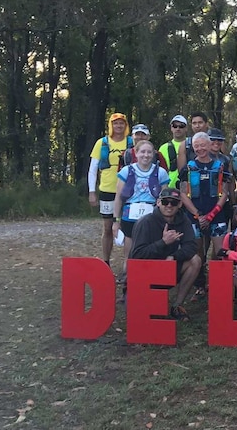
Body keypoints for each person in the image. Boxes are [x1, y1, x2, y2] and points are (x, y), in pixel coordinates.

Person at [129, 188, 202, 321]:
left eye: (173, 203)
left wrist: (174, 256)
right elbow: (136, 256)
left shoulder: (183, 220)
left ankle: (177, 306)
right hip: (146, 274)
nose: (169, 206)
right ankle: (143, 301)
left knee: (195, 260)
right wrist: (163, 242)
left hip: (169, 268)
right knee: (150, 316)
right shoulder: (145, 222)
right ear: (158, 202)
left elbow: (192, 246)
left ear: (180, 204)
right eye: (165, 202)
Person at [112, 139, 170, 296]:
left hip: (152, 216)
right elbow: (118, 197)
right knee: (130, 253)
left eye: (149, 152)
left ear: (154, 154)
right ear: (136, 154)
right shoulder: (126, 171)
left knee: (152, 252)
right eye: (142, 152)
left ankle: (151, 288)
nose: (146, 155)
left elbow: (165, 198)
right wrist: (115, 221)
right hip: (130, 216)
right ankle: (128, 288)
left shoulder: (161, 172)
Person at [178, 132, 233, 288]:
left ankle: (218, 283)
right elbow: (183, 193)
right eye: (197, 146)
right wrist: (197, 214)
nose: (200, 149)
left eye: (203, 145)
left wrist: (211, 215)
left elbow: (224, 194)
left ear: (210, 146)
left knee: (220, 250)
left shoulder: (220, 167)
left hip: (216, 214)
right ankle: (200, 284)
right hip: (194, 214)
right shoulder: (188, 168)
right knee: (197, 251)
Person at [88, 112, 134, 266]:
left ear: (126, 125)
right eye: (115, 123)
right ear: (111, 125)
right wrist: (92, 191)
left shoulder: (131, 142)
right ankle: (106, 261)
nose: (118, 126)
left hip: (128, 190)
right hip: (107, 190)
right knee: (108, 227)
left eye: (121, 123)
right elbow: (93, 169)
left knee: (129, 228)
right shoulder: (102, 143)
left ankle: (129, 263)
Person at [159, 115, 188, 189]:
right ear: (171, 128)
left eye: (181, 126)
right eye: (175, 126)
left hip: (189, 187)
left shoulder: (193, 144)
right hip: (170, 188)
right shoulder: (163, 148)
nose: (178, 129)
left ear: (186, 128)